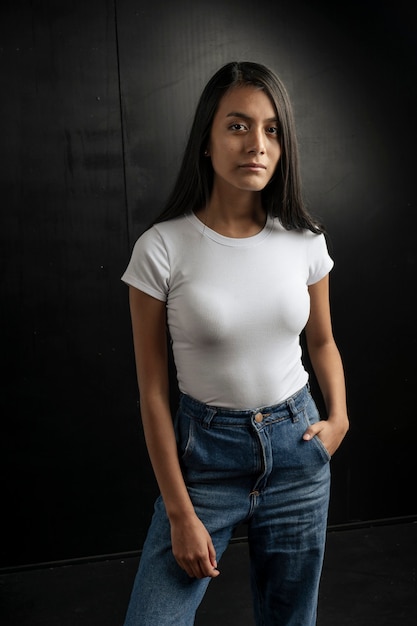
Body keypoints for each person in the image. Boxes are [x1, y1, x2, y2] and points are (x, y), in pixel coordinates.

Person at [121, 61, 349, 626]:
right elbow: (152, 392)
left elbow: (322, 340)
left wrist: (340, 418)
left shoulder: (303, 238)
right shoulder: (161, 249)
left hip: (299, 448)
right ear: (206, 139)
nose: (257, 144)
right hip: (206, 461)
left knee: (290, 619)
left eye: (272, 129)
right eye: (238, 126)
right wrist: (179, 512)